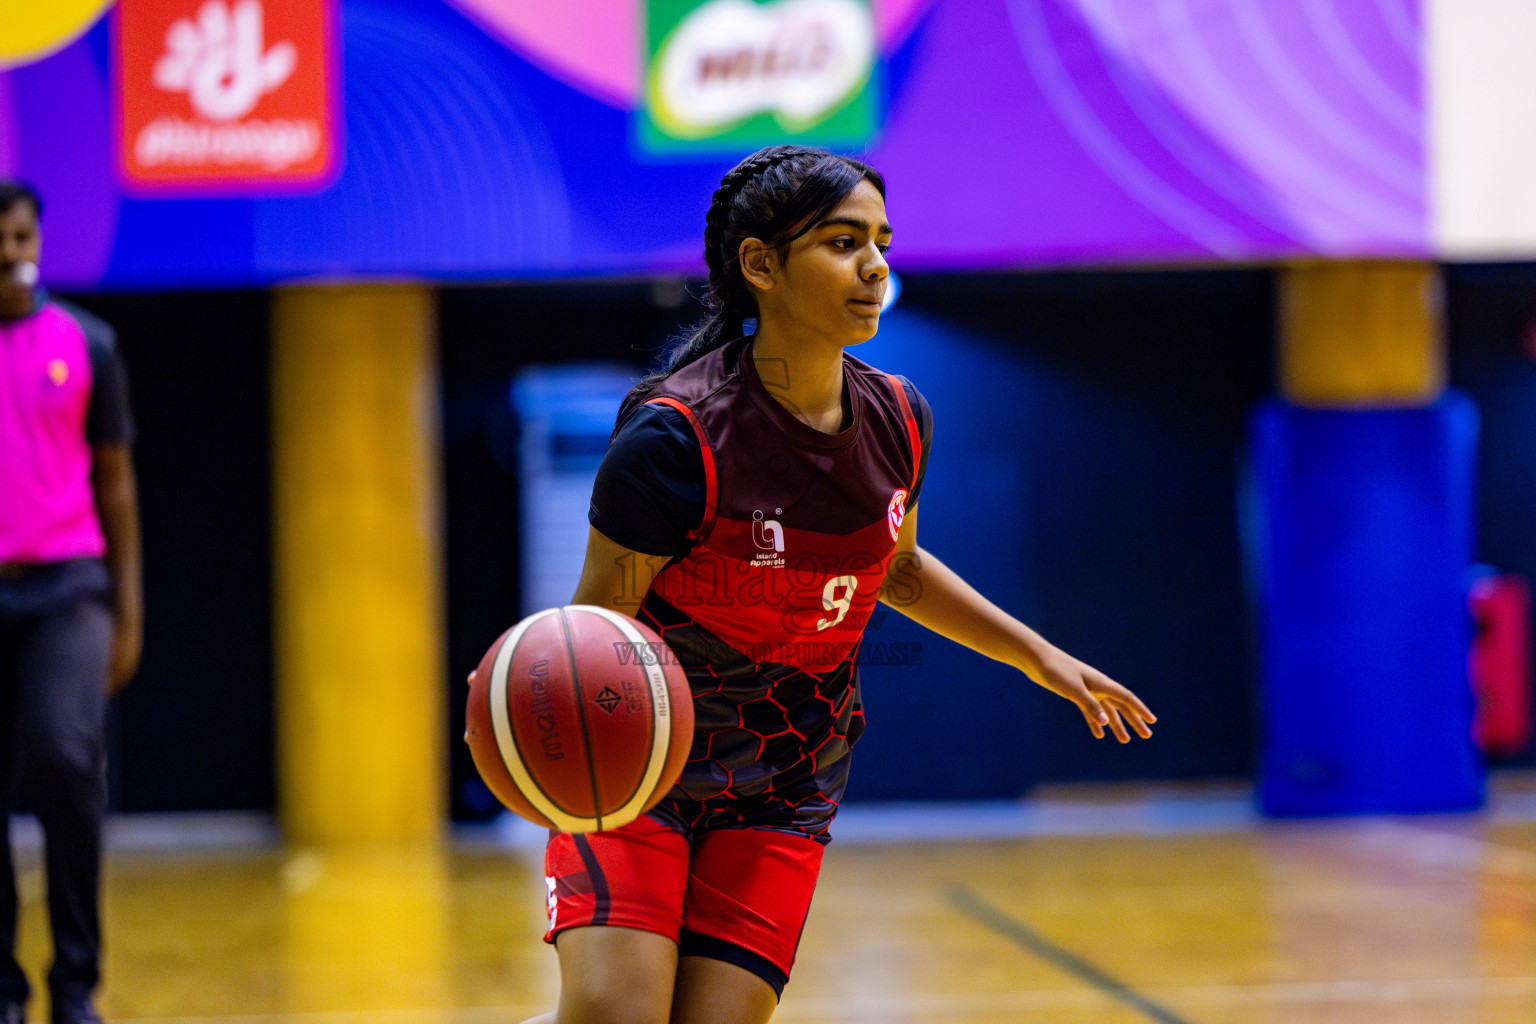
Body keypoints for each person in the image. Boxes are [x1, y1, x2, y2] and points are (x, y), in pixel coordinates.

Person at [524, 146, 1154, 1024]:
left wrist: (1040, 659)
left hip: (786, 776)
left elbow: (894, 567)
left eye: (882, 242)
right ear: (761, 266)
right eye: (842, 241)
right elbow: (596, 637)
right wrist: (553, 757)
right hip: (643, 778)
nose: (875, 265)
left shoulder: (900, 417)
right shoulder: (676, 440)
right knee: (616, 1016)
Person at [0, 180, 142, 1024]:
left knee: (62, 758)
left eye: (20, 235)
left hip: (69, 587)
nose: (10, 252)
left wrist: (128, 616)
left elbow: (119, 489)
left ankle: (76, 984)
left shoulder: (87, 343)